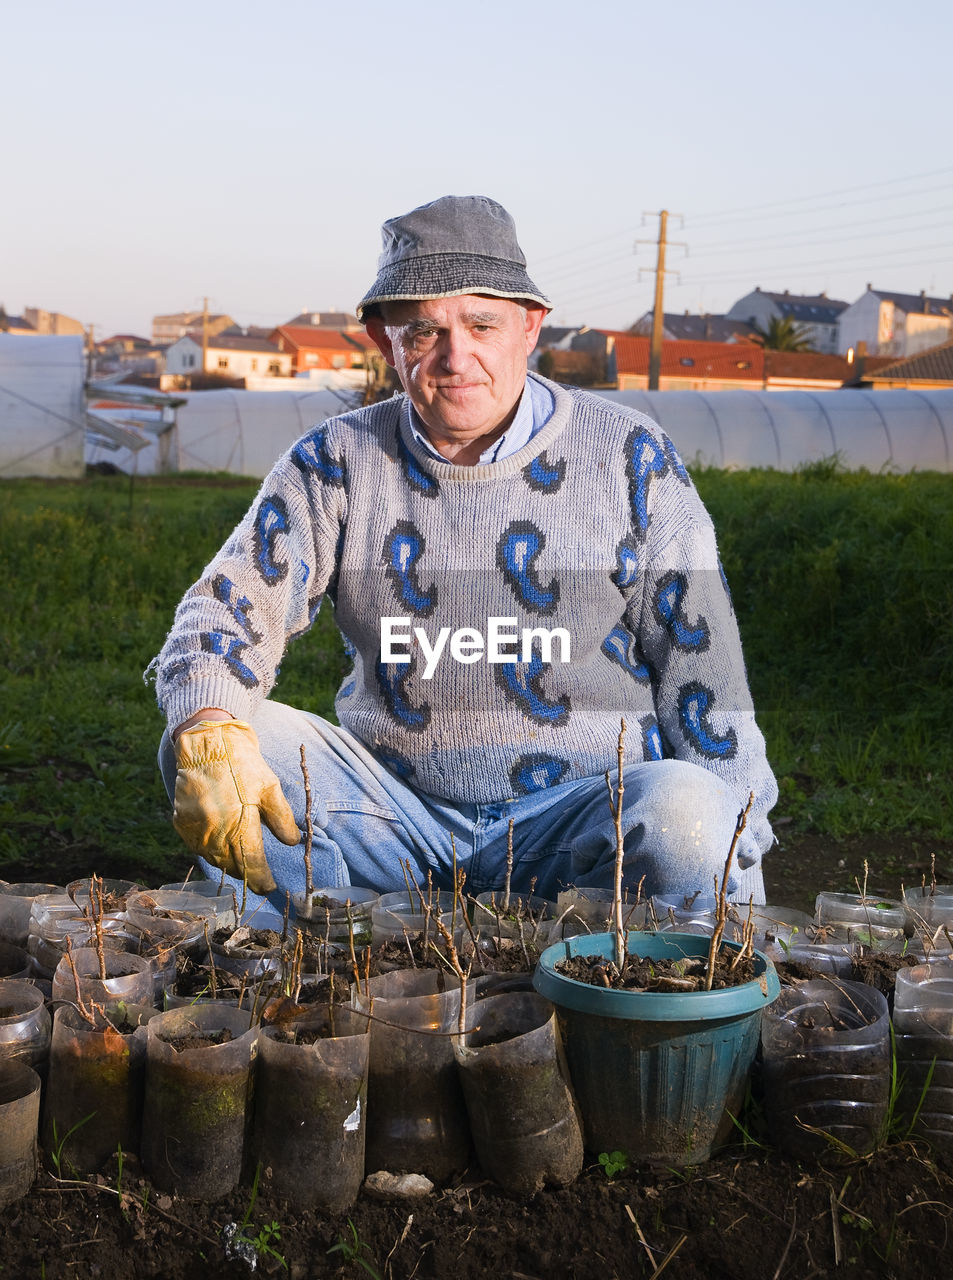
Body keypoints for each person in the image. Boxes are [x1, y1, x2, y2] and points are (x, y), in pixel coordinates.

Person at [150, 194, 777, 914]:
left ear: (529, 326)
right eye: (424, 331)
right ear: (385, 339)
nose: (456, 357)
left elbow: (705, 680)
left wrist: (736, 863)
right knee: (221, 736)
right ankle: (315, 960)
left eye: (482, 324)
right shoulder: (336, 460)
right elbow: (225, 608)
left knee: (688, 807)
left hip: (578, 818)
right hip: (392, 815)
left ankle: (646, 983)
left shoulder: (631, 459)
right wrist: (205, 724)